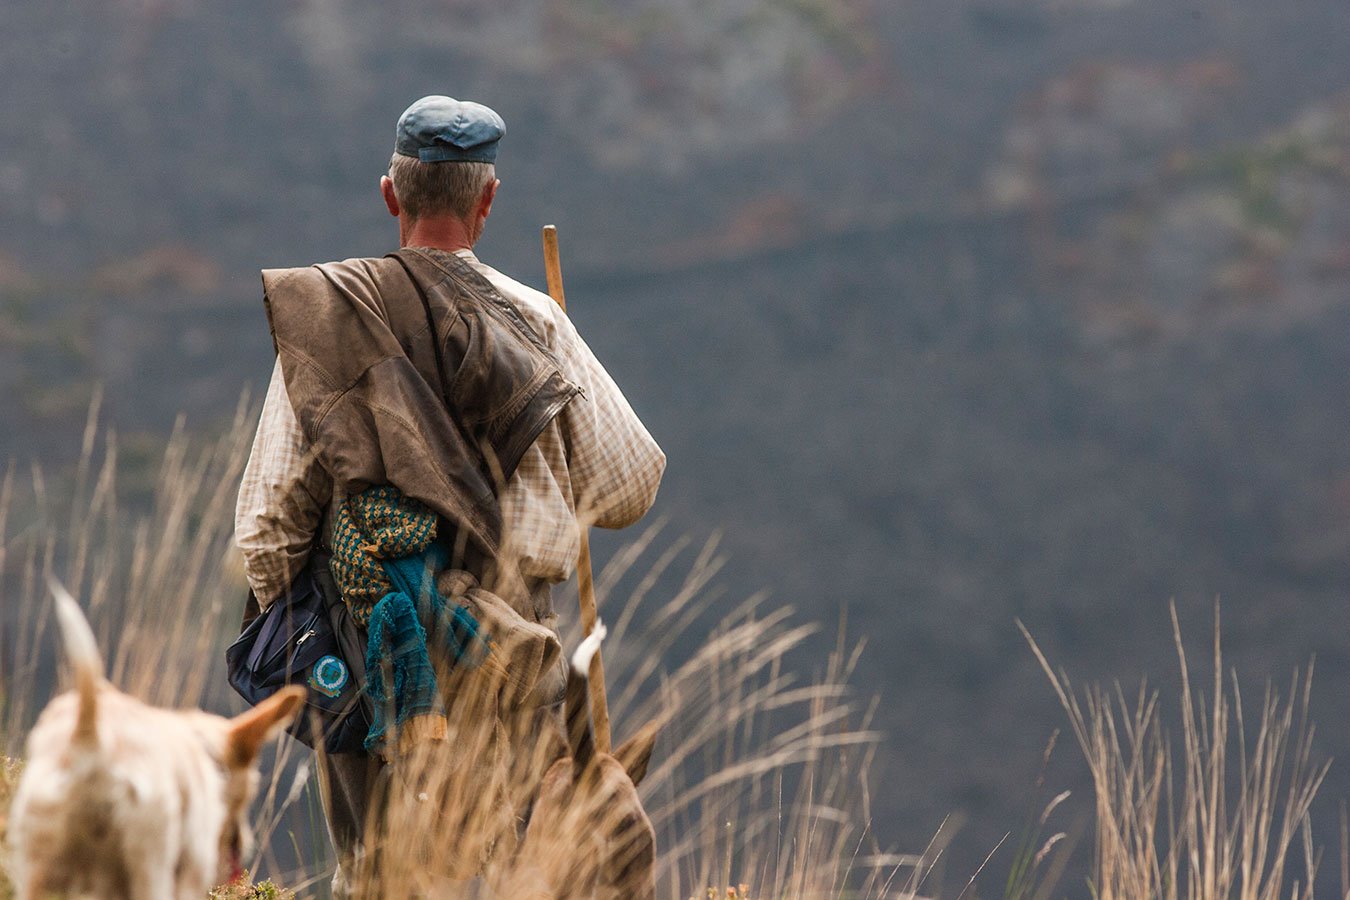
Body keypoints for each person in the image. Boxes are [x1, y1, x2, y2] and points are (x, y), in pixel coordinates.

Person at [234, 95, 665, 894]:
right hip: (509, 648)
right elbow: (632, 485)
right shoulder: (536, 322)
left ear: (391, 194)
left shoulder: (329, 320)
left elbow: (266, 529)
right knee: (508, 878)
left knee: (376, 878)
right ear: (487, 201)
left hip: (366, 647)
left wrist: (326, 650)